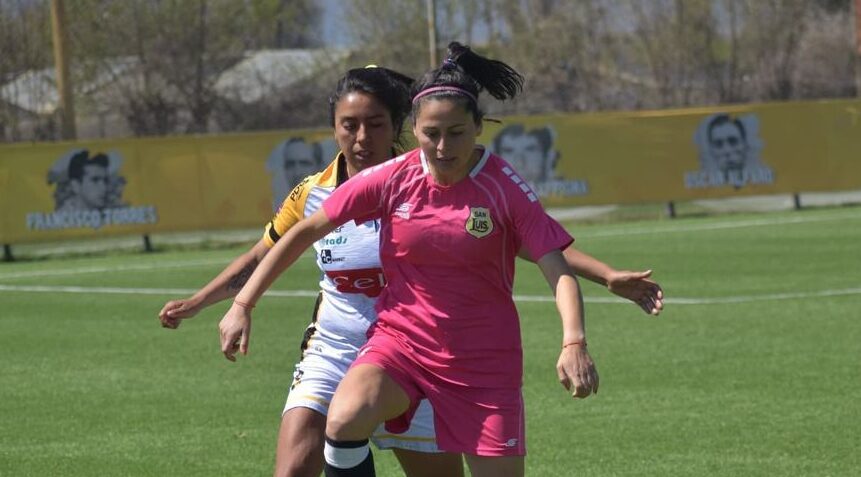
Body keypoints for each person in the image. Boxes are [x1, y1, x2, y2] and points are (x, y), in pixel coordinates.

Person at [218, 43, 659, 477]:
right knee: (344, 417)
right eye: (431, 134)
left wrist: (574, 341)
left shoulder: (503, 187)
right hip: (401, 346)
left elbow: (555, 267)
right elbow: (304, 231)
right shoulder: (392, 177)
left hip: (482, 367)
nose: (443, 147)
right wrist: (243, 304)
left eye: (456, 133)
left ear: (479, 127)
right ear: (414, 128)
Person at [159, 66, 465, 477]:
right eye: (348, 125)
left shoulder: (431, 184)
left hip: (414, 355)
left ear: (396, 126)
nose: (361, 138)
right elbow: (262, 256)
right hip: (333, 351)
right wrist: (204, 302)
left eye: (375, 124)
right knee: (294, 468)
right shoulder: (312, 193)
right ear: (333, 128)